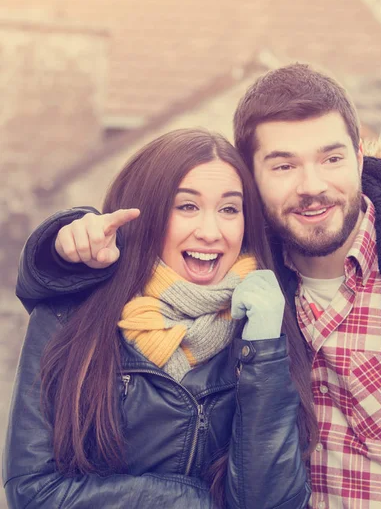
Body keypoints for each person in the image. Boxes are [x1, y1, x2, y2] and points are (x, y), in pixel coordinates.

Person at [4, 129, 315, 509]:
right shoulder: (69, 314)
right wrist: (186, 501)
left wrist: (264, 350)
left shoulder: (263, 326)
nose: (210, 231)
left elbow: (272, 503)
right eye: (186, 206)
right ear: (146, 214)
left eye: (230, 209)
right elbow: (33, 491)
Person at [233, 63, 381, 508]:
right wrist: (62, 244)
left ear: (361, 159)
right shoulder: (237, 269)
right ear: (250, 179)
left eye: (332, 159)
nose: (313, 187)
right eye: (284, 165)